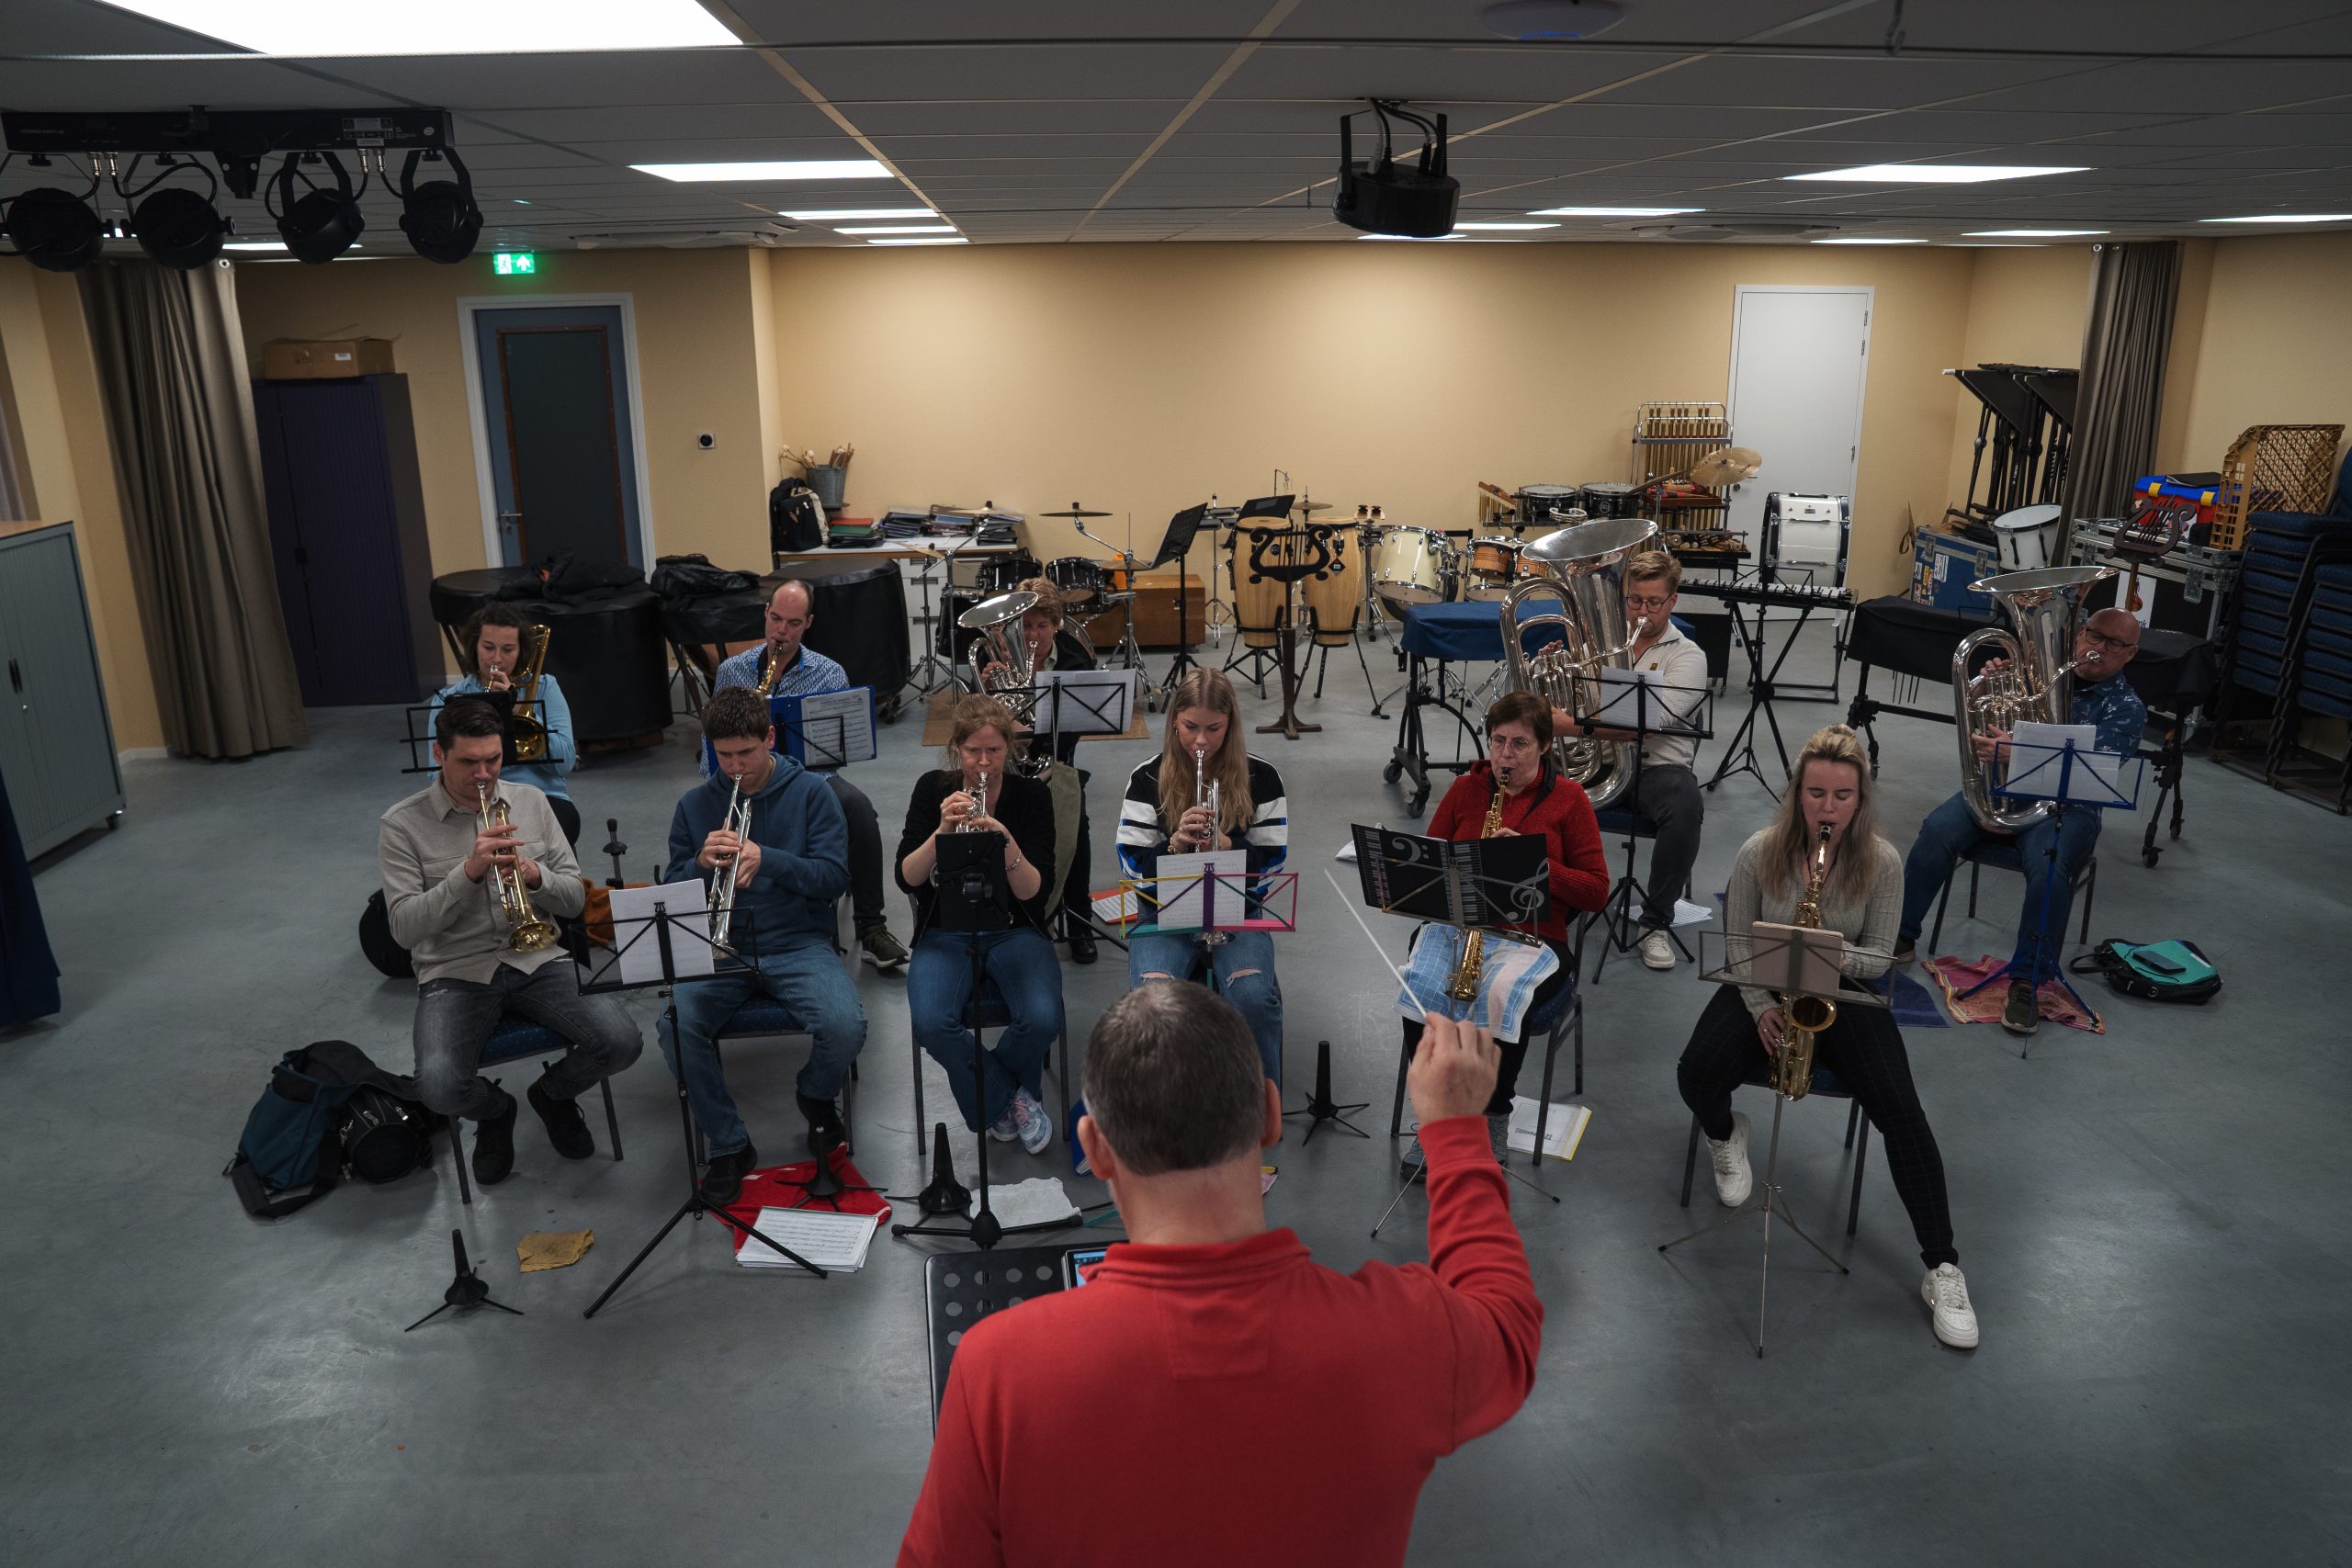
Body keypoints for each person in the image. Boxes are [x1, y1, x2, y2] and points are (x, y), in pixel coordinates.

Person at [897, 985, 1541, 1568]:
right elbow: (1508, 1323)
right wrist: (1455, 1132)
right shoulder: (1402, 1336)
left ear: (1094, 1150)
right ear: (1269, 1115)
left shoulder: (998, 1369)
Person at [1679, 724, 1978, 1349]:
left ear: (1861, 798)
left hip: (1843, 993)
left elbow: (1881, 956)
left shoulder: (1883, 863)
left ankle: (1942, 1265)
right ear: (1797, 792)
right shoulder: (1760, 850)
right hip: (1763, 985)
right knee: (1696, 1070)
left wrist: (1825, 954)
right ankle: (1725, 1132)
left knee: (1901, 1108)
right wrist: (1762, 1005)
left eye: (1842, 796)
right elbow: (1736, 945)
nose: (1828, 808)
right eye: (1816, 793)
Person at [378, 699, 641, 1187]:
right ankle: (496, 1112)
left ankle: (553, 1095)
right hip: (455, 971)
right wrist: (467, 873)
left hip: (538, 957)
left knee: (623, 1042)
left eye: (493, 760)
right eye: (468, 762)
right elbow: (404, 929)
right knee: (437, 1088)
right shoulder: (402, 825)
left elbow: (573, 900)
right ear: (439, 753)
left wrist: (535, 874)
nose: (483, 774)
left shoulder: (531, 803)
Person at [656, 688, 867, 1204]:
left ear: (770, 738)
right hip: (719, 949)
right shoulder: (693, 806)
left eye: (745, 753)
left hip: (796, 942)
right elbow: (676, 890)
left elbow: (834, 879)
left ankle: (815, 1094)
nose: (734, 767)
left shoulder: (813, 794)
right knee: (675, 1028)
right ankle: (729, 1145)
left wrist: (768, 858)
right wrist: (698, 866)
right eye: (722, 755)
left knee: (845, 1027)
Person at [1893, 606, 2144, 1036]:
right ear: (2079, 633)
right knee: (1936, 831)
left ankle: (2028, 981)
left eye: (2113, 643)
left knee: (2050, 867)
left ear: (2130, 654)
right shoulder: (2034, 675)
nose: (2098, 648)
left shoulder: (2126, 707)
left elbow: (2097, 769)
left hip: (2070, 808)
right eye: (2093, 635)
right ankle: (1900, 937)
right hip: (2000, 790)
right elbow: (1987, 727)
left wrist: (2021, 753)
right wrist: (1992, 685)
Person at [1402, 691, 1610, 1173]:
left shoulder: (1570, 801)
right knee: (1420, 985)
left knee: (1499, 993)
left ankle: (1494, 1114)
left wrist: (1536, 863)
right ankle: (1436, 1117)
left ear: (1543, 747)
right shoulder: (1465, 790)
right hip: (1460, 925)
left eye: (1519, 745)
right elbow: (1426, 857)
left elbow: (1597, 891)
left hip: (1535, 935)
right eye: (1498, 742)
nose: (1505, 756)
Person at [896, 694, 1067, 1154]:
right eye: (974, 751)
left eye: (994, 751)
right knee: (932, 1021)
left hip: (1015, 928)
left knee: (1043, 1016)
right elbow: (907, 877)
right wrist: (942, 832)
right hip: (945, 932)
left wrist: (1004, 838)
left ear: (1008, 750)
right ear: (957, 750)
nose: (984, 762)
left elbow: (1035, 891)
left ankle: (996, 1097)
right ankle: (1012, 1100)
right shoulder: (933, 789)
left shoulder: (1031, 796)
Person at [714, 579, 910, 972]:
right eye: (775, 619)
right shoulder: (731, 670)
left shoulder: (829, 673)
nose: (781, 632)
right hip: (744, 776)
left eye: (793, 623)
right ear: (765, 614)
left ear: (809, 624)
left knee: (858, 809)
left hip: (809, 778)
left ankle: (871, 926)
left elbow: (832, 757)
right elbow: (712, 742)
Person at [1115, 668, 1287, 1083]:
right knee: (1150, 1000)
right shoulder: (1146, 778)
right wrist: (1175, 846)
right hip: (1164, 916)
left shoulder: (1262, 777)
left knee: (1253, 997)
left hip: (1236, 911)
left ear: (1230, 726)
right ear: (1175, 720)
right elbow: (1130, 862)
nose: (1201, 741)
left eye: (1214, 729)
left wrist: (1228, 848)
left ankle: (1262, 1107)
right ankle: (1164, 1106)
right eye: (1191, 727)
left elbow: (1274, 859)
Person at [1547, 548, 1707, 970]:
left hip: (1656, 769)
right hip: (1597, 761)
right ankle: (1553, 904)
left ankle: (1654, 922)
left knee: (1685, 807)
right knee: (1533, 785)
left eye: (1654, 602)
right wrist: (1560, 672)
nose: (1643, 611)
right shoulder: (1598, 644)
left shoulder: (1687, 656)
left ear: (1673, 601)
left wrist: (1574, 726)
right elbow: (1571, 702)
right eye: (1634, 600)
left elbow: (1649, 723)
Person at [976, 576, 1102, 964]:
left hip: (1056, 763)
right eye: (1026, 625)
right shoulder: (993, 655)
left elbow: (1076, 732)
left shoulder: (1075, 660)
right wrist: (988, 696)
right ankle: (1013, 915)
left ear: (1056, 625)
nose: (1032, 635)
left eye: (1041, 626)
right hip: (1004, 768)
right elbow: (974, 727)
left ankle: (1078, 920)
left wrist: (1036, 731)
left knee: (1074, 822)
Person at [430, 603, 581, 845]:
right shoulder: (448, 700)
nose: (497, 659)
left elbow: (566, 764)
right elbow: (433, 774)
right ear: (474, 647)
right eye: (488, 647)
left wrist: (522, 711)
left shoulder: (545, 687)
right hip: (471, 801)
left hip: (542, 796)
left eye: (508, 649)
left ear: (521, 651)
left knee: (543, 837)